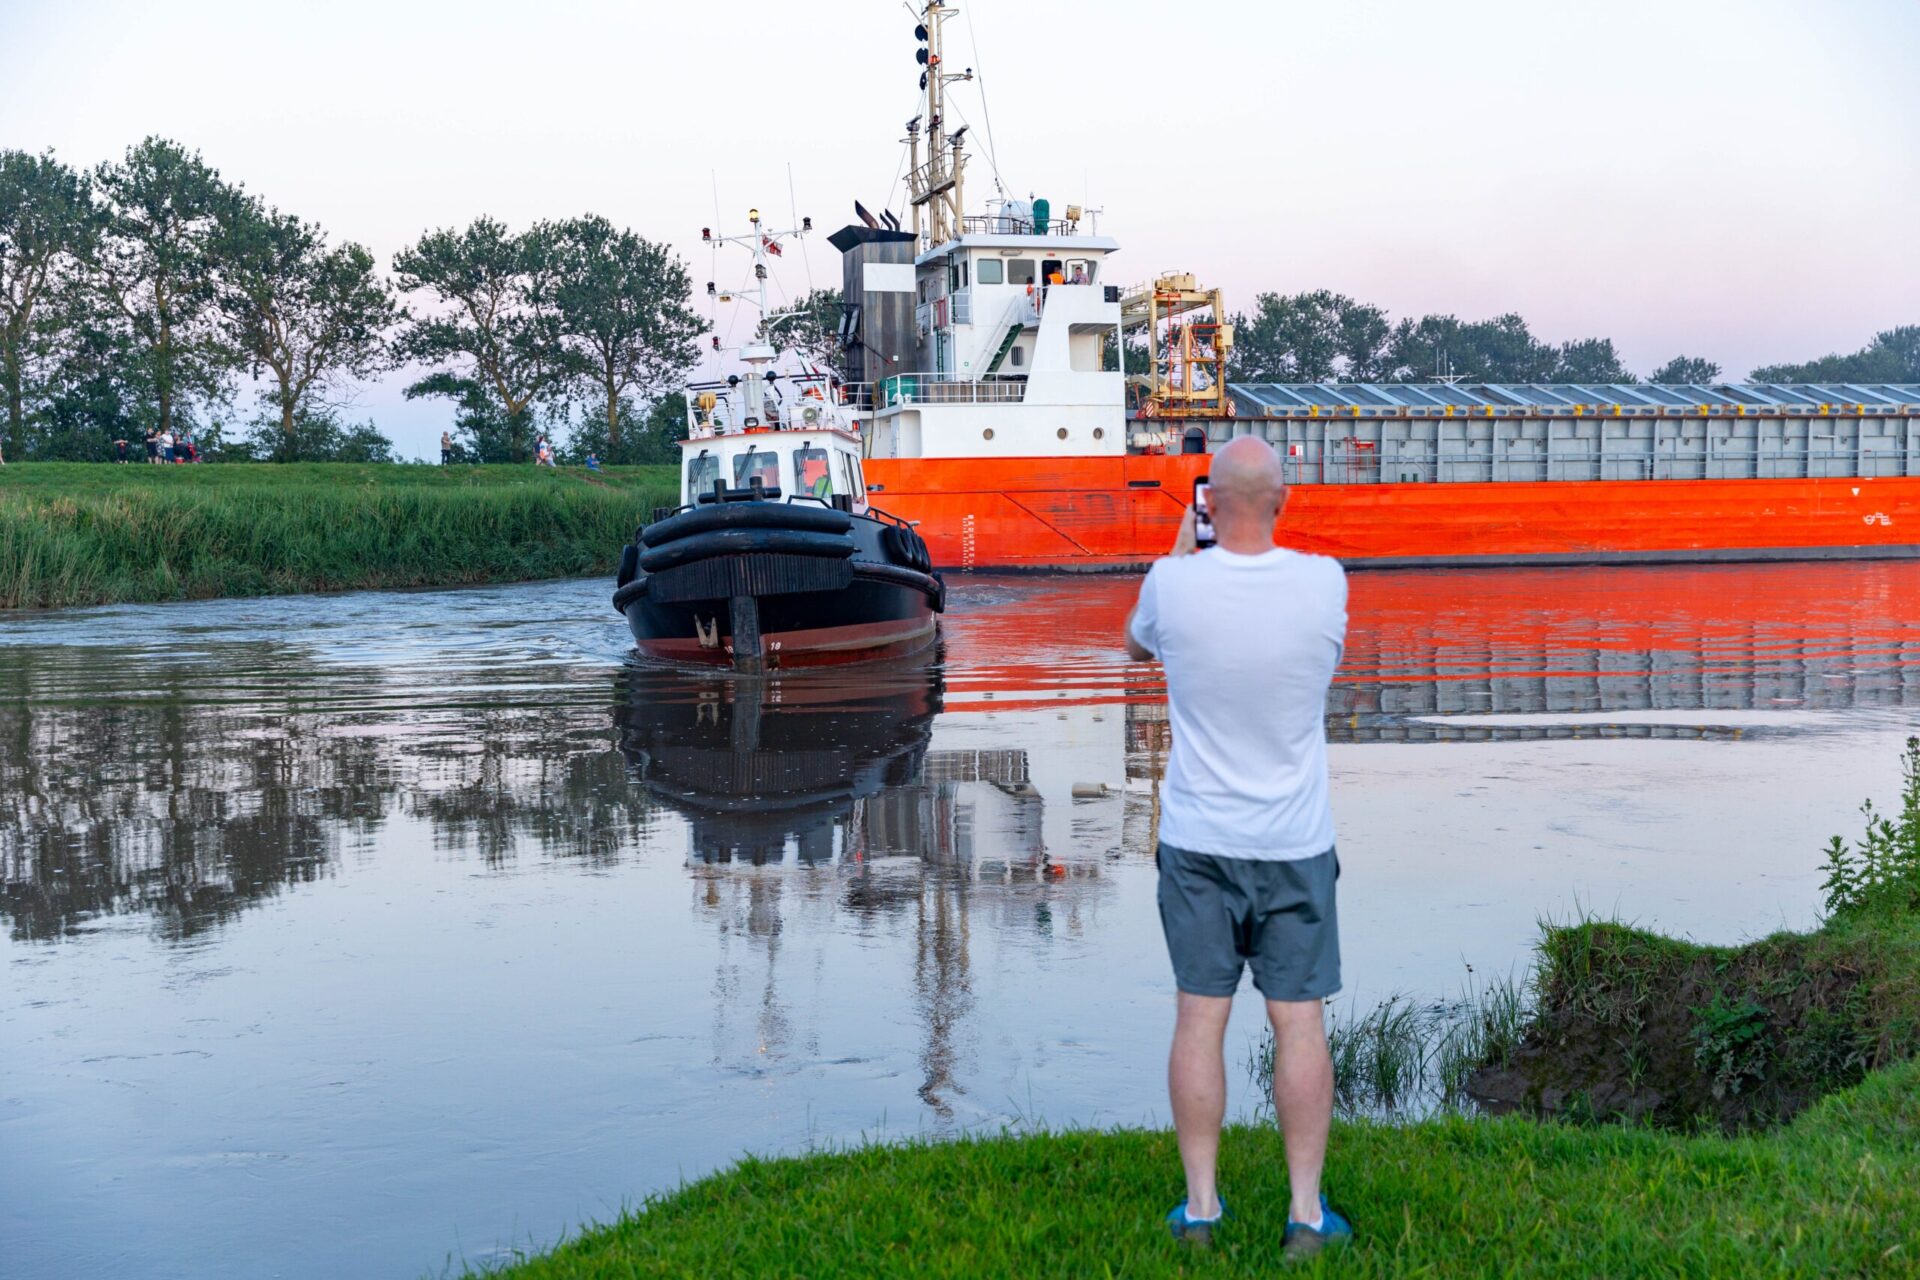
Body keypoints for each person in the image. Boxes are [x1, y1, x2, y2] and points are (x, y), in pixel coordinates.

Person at [1124, 436, 1354, 1260]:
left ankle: (1202, 1209)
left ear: (1209, 503)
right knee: (1300, 1025)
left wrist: (1185, 552)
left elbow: (1136, 646)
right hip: (1294, 842)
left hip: (1198, 843)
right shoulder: (1325, 584)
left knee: (1199, 1018)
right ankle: (1304, 1214)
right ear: (1284, 500)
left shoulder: (1170, 584)